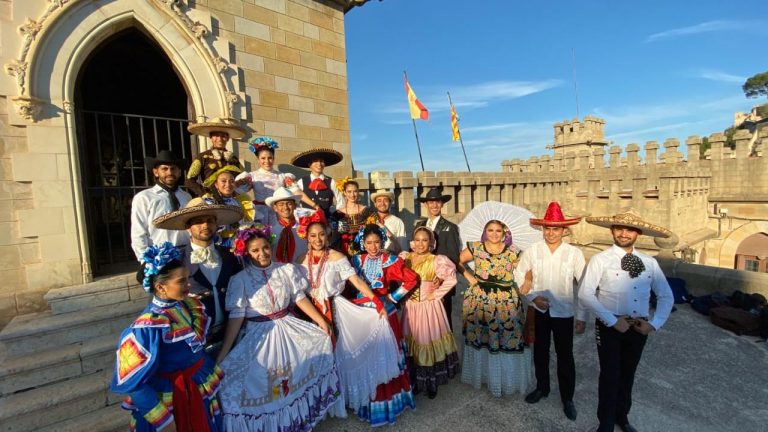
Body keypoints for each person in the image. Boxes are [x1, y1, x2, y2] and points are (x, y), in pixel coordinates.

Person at [216, 224, 345, 430]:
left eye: (265, 247)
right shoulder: (240, 280)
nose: (262, 253)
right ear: (246, 253)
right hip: (259, 336)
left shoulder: (285, 269)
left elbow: (299, 297)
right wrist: (224, 353)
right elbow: (236, 317)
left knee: (296, 371)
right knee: (264, 380)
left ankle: (299, 418)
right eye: (255, 250)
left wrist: (321, 321)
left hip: (288, 327)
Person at [578, 209, 674, 432]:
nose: (624, 233)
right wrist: (612, 321)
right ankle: (606, 423)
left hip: (638, 327)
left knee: (628, 373)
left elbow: (666, 296)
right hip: (609, 325)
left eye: (629, 229)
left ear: (638, 233)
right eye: (619, 229)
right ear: (612, 231)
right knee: (609, 375)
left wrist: (654, 324)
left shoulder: (649, 262)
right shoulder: (601, 260)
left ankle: (622, 417)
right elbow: (585, 294)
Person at [111, 242, 223, 432]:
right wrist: (165, 422)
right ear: (160, 287)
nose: (188, 285)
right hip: (172, 405)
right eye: (181, 281)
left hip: (196, 394)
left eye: (187, 278)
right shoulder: (146, 327)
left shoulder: (188, 306)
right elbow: (133, 384)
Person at [298, 215, 403, 415]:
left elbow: (357, 281)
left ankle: (343, 397)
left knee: (341, 354)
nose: (318, 239)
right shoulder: (300, 260)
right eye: (313, 235)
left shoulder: (337, 257)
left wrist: (376, 301)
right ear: (307, 237)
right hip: (311, 311)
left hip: (335, 309)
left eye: (321, 234)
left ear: (327, 235)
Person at [513, 201, 586, 420]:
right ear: (542, 229)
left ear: (564, 230)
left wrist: (582, 316)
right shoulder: (533, 251)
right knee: (540, 352)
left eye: (556, 229)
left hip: (564, 312)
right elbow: (518, 273)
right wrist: (533, 297)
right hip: (540, 310)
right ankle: (542, 388)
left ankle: (568, 398)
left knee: (565, 356)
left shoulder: (574, 253)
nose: (551, 233)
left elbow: (585, 284)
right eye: (547, 228)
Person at [153, 199, 244, 353]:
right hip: (194, 340)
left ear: (216, 224)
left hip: (229, 335)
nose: (205, 225)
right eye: (198, 221)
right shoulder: (176, 259)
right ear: (188, 228)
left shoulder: (230, 256)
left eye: (210, 220)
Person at [350, 224, 419, 426]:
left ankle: (390, 402)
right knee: (367, 355)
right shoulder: (356, 260)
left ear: (382, 242)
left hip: (383, 313)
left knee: (386, 355)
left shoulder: (390, 260)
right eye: (369, 243)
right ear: (363, 243)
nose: (373, 247)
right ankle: (368, 401)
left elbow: (411, 279)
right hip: (362, 314)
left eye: (377, 242)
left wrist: (392, 297)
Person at [459, 218, 532, 397]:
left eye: (498, 230)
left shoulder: (513, 251)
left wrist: (528, 279)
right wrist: (469, 276)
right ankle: (485, 376)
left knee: (507, 337)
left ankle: (505, 379)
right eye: (490, 230)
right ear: (485, 232)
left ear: (504, 233)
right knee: (482, 336)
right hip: (480, 299)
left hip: (506, 301)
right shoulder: (476, 247)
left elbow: (528, 267)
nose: (494, 234)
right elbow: (457, 261)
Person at [399, 226, 460, 399]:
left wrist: (436, 294)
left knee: (426, 341)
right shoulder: (405, 258)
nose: (420, 244)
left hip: (428, 308)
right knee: (413, 342)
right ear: (412, 241)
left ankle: (430, 382)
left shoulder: (436, 260)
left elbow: (452, 279)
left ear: (431, 242)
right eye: (417, 240)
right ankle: (416, 380)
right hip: (411, 307)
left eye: (424, 240)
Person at [235, 136, 317, 223]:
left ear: (273, 158)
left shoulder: (283, 176)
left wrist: (315, 205)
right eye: (263, 158)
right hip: (261, 214)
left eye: (270, 158)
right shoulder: (252, 176)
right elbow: (237, 191)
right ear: (258, 159)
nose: (267, 161)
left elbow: (297, 192)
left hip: (280, 213)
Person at [130, 149, 192, 261]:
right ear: (156, 172)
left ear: (179, 172)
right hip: (159, 256)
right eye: (164, 169)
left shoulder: (186, 197)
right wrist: (145, 260)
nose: (169, 172)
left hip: (186, 254)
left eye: (173, 168)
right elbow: (138, 231)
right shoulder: (144, 198)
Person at [415, 187, 462, 329]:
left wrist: (441, 277)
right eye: (431, 202)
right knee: (423, 321)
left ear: (442, 204)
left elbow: (453, 256)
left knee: (443, 320)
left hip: (440, 282)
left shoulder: (450, 227)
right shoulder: (419, 226)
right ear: (426, 204)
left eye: (438, 202)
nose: (434, 205)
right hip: (423, 282)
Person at [185, 117, 247, 197]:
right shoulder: (202, 157)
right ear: (210, 137)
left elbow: (241, 178)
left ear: (228, 138)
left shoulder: (234, 159)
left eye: (223, 136)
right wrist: (204, 193)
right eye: (216, 135)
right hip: (211, 198)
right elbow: (189, 181)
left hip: (231, 198)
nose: (220, 139)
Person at [200, 166, 255, 247]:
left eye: (231, 181)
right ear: (216, 184)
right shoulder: (210, 202)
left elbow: (246, 223)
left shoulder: (240, 201)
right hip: (218, 244)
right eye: (223, 181)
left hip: (240, 243)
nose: (228, 184)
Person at [291, 147, 345, 219]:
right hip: (306, 221)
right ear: (309, 165)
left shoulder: (331, 181)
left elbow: (340, 200)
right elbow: (294, 198)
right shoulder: (301, 181)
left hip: (325, 220)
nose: (319, 164)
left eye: (321, 161)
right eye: (315, 161)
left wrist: (335, 215)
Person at [333, 178, 374, 255]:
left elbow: (375, 228)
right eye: (349, 192)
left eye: (355, 191)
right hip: (343, 248)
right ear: (344, 193)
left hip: (363, 247)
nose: (352, 195)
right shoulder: (338, 213)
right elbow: (332, 232)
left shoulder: (366, 211)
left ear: (358, 192)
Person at [266, 187, 307, 263]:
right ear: (275, 208)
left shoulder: (305, 228)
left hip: (302, 268)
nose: (285, 207)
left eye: (289, 204)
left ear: (295, 205)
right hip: (279, 268)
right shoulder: (271, 231)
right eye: (281, 204)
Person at [370, 189, 408, 254]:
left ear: (390, 203)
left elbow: (403, 247)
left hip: (391, 256)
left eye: (385, 200)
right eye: (379, 201)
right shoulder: (370, 220)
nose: (382, 203)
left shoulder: (398, 222)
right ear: (375, 204)